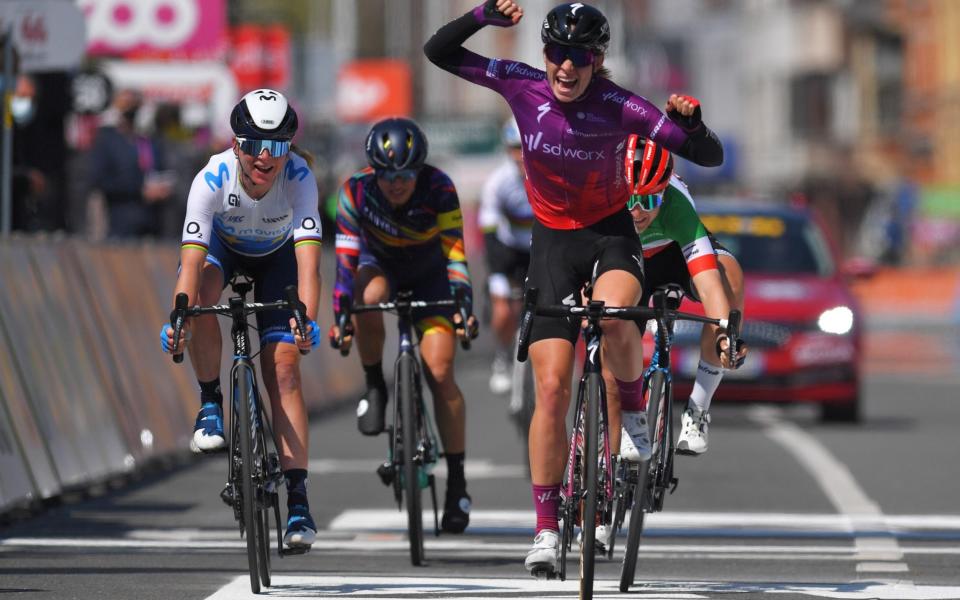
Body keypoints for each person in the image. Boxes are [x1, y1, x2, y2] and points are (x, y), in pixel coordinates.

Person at [424, 0, 725, 575]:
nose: (566, 67)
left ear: (597, 60)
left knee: (615, 314)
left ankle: (634, 418)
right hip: (552, 246)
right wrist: (482, 16)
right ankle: (544, 531)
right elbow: (439, 53)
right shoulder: (520, 84)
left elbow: (709, 155)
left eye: (579, 58)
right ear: (545, 55)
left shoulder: (621, 105)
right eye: (557, 54)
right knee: (552, 390)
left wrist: (691, 125)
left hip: (610, 236)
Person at [159, 89, 323, 550]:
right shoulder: (211, 178)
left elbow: (309, 267)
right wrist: (179, 318)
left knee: (285, 369)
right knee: (201, 298)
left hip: (278, 261)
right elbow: (189, 264)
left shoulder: (300, 177)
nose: (265, 158)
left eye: (276, 147)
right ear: (237, 145)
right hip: (223, 253)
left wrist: (304, 321)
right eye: (254, 146)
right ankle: (210, 403)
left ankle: (299, 501)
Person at [328, 117, 480, 534]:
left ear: (420, 171)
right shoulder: (354, 191)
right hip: (381, 269)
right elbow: (344, 263)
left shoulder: (440, 188)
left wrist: (464, 305)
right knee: (367, 296)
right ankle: (375, 382)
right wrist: (341, 315)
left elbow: (455, 255)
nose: (397, 184)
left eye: (406, 175)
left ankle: (458, 482)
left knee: (441, 372)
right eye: (388, 175)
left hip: (431, 273)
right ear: (373, 171)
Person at [605, 134, 747, 463]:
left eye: (650, 202)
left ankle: (697, 410)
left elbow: (709, 284)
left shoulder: (677, 205)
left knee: (730, 278)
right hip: (626, 258)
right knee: (612, 339)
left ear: (664, 194)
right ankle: (606, 468)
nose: (638, 212)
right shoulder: (604, 195)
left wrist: (726, 334)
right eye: (630, 201)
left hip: (674, 254)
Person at [479, 117, 533, 394]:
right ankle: (502, 356)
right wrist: (497, 269)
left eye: (525, 147)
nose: (521, 156)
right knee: (502, 310)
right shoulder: (497, 182)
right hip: (508, 250)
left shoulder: (551, 175)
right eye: (515, 148)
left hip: (540, 248)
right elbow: (488, 230)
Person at [89, 89, 174, 238]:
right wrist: (139, 190)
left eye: (136, 106)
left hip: (152, 221)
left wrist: (162, 188)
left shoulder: (150, 141)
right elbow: (100, 180)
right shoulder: (107, 140)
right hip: (121, 222)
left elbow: (159, 169)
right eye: (127, 106)